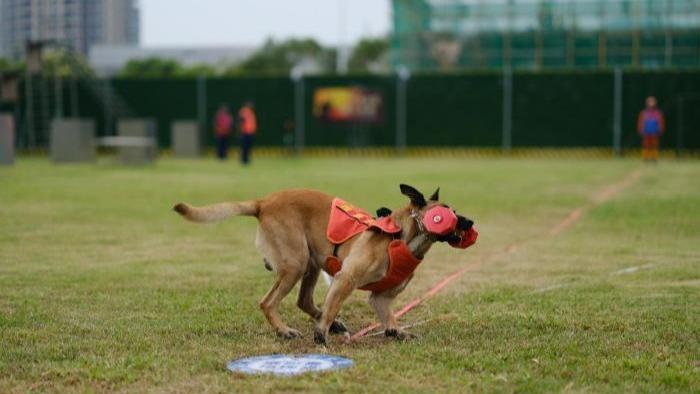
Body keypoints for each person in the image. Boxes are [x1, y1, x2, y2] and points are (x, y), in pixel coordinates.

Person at [637, 96, 665, 162]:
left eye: (652, 102)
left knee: (654, 145)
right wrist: (640, 129)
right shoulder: (643, 113)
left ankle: (654, 158)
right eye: (649, 102)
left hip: (654, 132)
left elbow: (660, 122)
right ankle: (645, 158)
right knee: (646, 145)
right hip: (646, 132)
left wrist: (660, 129)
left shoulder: (657, 113)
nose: (651, 103)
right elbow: (640, 122)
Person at [238, 101, 257, 165]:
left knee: (248, 147)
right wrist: (241, 130)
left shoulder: (251, 112)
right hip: (245, 132)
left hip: (250, 132)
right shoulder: (244, 111)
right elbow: (241, 120)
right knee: (244, 147)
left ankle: (247, 159)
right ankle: (244, 160)